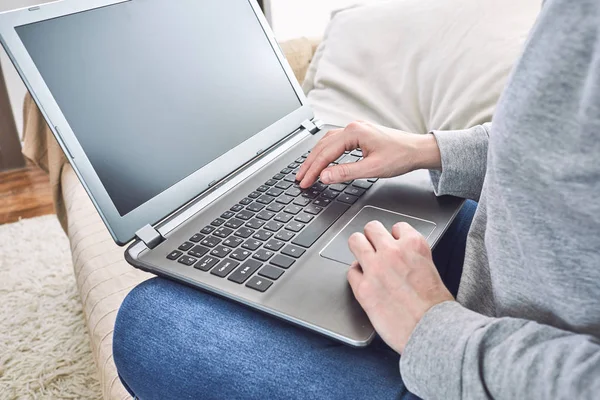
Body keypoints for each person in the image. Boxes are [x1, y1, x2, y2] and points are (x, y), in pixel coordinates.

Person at [113, 0, 600, 398]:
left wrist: (431, 328)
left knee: (152, 321)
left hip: (510, 369)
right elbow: (561, 138)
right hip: (505, 270)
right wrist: (429, 150)